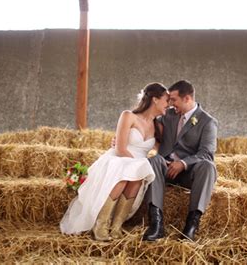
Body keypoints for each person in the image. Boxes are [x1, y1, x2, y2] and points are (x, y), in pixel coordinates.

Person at [60, 82, 169, 241]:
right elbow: (120, 148)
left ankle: (116, 226)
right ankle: (101, 224)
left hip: (137, 165)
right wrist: (134, 164)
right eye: (166, 100)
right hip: (119, 158)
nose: (168, 104)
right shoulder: (128, 116)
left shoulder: (158, 126)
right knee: (126, 174)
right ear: (155, 99)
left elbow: (160, 152)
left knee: (137, 176)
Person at [143, 80, 218, 241]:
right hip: (164, 168)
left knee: (208, 166)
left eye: (174, 100)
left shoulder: (208, 122)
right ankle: (156, 224)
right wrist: (125, 134)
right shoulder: (168, 114)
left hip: (188, 173)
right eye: (169, 100)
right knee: (154, 160)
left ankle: (191, 226)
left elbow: (206, 153)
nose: (170, 104)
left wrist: (183, 164)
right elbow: (145, 119)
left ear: (187, 99)